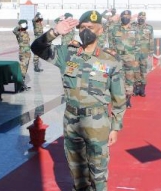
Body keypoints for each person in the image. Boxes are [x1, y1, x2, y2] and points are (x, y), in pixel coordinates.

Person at [30, 10, 126, 191]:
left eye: (91, 27)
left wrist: (115, 127)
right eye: (82, 27)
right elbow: (37, 48)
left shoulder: (110, 61)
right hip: (71, 121)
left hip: (97, 123)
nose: (86, 31)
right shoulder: (67, 54)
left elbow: (119, 98)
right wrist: (54, 32)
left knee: (98, 173)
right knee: (77, 173)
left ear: (100, 31)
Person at [108, 10, 139, 108]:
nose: (126, 17)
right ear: (121, 17)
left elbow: (138, 45)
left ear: (130, 17)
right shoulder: (114, 28)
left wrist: (136, 59)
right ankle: (118, 98)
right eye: (124, 15)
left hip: (130, 57)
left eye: (128, 16)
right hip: (118, 57)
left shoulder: (134, 29)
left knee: (129, 79)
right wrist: (112, 55)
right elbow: (111, 42)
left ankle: (128, 99)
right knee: (117, 77)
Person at [132, 11, 154, 97]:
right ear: (137, 18)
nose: (141, 18)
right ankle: (136, 88)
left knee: (143, 71)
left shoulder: (149, 27)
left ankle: (142, 89)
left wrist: (151, 51)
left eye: (143, 17)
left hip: (144, 52)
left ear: (145, 18)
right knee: (135, 70)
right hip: (135, 52)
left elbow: (151, 39)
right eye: (139, 17)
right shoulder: (133, 26)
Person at [12, 19, 31, 91]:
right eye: (23, 24)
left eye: (25, 23)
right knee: (22, 69)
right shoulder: (18, 33)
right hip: (23, 53)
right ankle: (19, 85)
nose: (25, 24)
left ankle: (22, 84)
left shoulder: (26, 32)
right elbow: (14, 30)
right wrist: (19, 26)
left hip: (27, 53)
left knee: (25, 69)